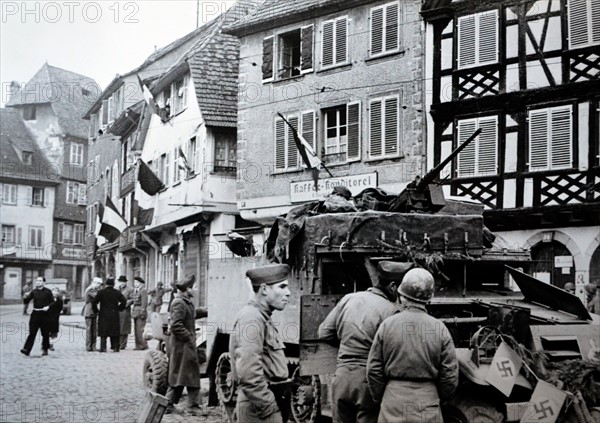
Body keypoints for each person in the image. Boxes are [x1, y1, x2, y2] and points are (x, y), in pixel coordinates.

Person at [318, 261, 412, 423]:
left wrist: (348, 344)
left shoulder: (348, 299)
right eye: (402, 291)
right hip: (368, 384)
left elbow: (324, 332)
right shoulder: (392, 311)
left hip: (341, 378)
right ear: (393, 287)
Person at [367, 268, 458, 423]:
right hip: (427, 403)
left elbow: (373, 369)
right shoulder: (439, 328)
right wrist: (440, 398)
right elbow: (449, 375)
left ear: (401, 296)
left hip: (393, 402)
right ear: (429, 299)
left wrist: (381, 397)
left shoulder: (387, 325)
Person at [230, 264, 292, 423]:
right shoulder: (252, 318)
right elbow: (248, 372)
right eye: (282, 287)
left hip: (262, 403)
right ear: (264, 289)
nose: (288, 293)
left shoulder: (262, 316)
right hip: (258, 408)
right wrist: (269, 409)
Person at [165, 275, 208, 416]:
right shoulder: (179, 303)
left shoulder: (185, 301)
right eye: (193, 287)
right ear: (187, 289)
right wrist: (189, 337)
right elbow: (176, 325)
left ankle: (169, 404)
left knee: (183, 374)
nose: (195, 290)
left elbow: (191, 315)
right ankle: (191, 406)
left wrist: (208, 310)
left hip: (183, 345)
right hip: (182, 346)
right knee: (186, 374)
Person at [21, 276, 55, 356]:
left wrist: (48, 307)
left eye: (40, 281)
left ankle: (45, 349)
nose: (38, 282)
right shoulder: (34, 292)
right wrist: (25, 297)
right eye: (37, 281)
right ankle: (27, 349)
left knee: (45, 333)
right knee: (32, 333)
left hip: (45, 315)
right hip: (35, 314)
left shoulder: (48, 291)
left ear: (44, 282)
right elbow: (26, 301)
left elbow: (53, 302)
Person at [92, 277, 127, 352]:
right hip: (114, 314)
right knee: (114, 331)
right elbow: (124, 301)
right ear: (113, 284)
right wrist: (119, 308)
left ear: (106, 284)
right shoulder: (117, 292)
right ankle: (115, 347)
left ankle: (103, 348)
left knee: (103, 332)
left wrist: (96, 311)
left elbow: (94, 302)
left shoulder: (101, 292)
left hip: (103, 314)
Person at [83, 277, 102, 352]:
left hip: (92, 311)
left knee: (94, 330)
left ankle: (92, 345)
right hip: (90, 311)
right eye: (99, 284)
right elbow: (98, 297)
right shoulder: (91, 289)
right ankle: (89, 346)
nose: (99, 286)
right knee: (90, 330)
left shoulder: (94, 289)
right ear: (95, 283)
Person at [131, 276, 149, 350]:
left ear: (141, 283)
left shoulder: (143, 290)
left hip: (140, 312)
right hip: (135, 312)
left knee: (140, 330)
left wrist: (143, 312)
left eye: (137, 282)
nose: (135, 284)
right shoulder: (136, 290)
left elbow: (144, 303)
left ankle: (143, 345)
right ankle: (137, 345)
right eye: (135, 282)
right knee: (136, 330)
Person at [117, 276, 133, 350]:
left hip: (125, 310)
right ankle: (118, 343)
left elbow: (132, 299)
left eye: (123, 282)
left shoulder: (130, 289)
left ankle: (123, 344)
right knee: (118, 326)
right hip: (117, 310)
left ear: (126, 282)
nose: (122, 283)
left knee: (124, 326)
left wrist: (124, 304)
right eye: (120, 282)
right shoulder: (116, 289)